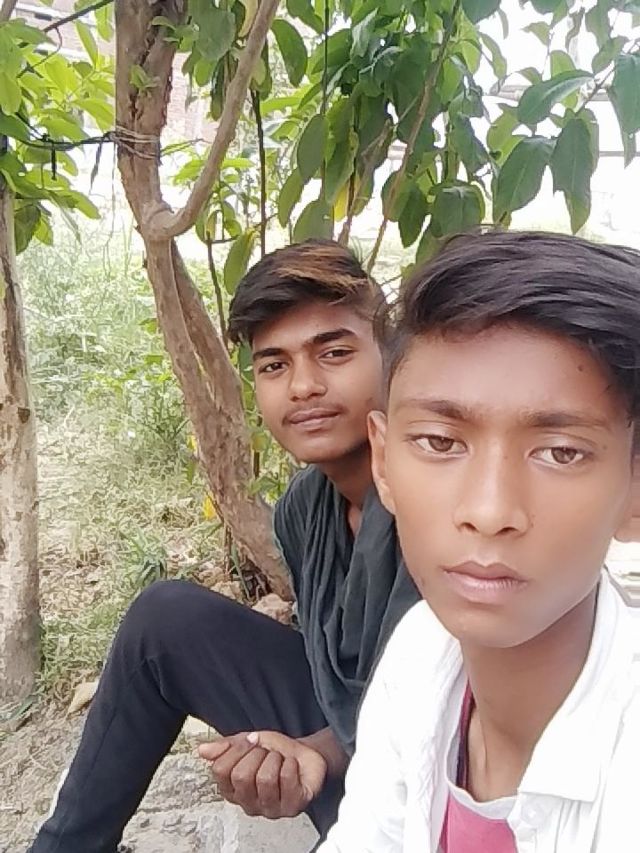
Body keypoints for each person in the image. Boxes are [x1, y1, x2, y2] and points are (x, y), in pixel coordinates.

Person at [30, 239, 419, 853]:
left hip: (433, 781)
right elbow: (330, 669)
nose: (303, 386)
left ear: (393, 360)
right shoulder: (304, 508)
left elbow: (457, 707)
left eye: (335, 353)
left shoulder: (436, 501)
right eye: (274, 366)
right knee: (166, 619)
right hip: (352, 732)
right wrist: (295, 750)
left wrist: (317, 752)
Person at [318, 230, 640, 853]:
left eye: (561, 452)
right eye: (440, 442)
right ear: (383, 462)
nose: (489, 512)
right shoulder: (420, 656)